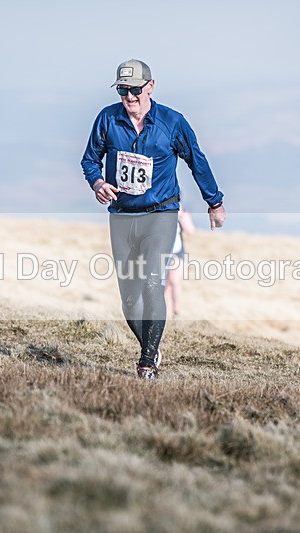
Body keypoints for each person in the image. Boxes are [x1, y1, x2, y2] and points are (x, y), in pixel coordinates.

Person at [81, 59, 226, 379]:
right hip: (121, 216)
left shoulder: (172, 122)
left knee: (152, 282)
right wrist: (98, 183)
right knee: (130, 302)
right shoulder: (107, 119)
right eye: (122, 90)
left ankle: (147, 362)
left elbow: (196, 160)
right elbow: (90, 160)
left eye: (134, 90)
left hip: (161, 213)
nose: (129, 97)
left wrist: (214, 202)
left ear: (150, 86)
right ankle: (152, 344)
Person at [164, 206, 195, 319]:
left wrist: (181, 215)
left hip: (177, 251)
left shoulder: (182, 212)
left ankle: (176, 312)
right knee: (164, 285)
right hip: (162, 252)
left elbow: (190, 231)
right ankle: (166, 315)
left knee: (175, 282)